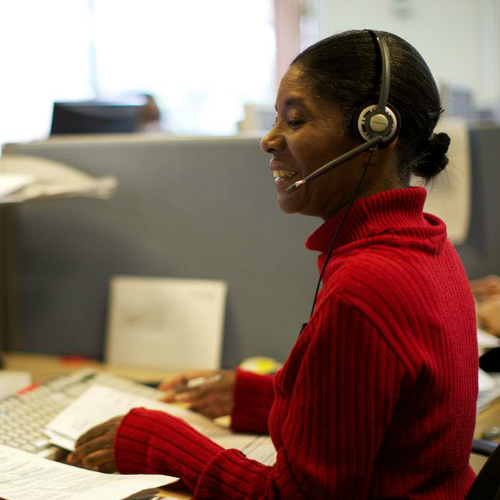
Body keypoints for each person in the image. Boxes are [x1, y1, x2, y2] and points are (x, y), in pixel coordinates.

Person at [68, 30, 478, 498]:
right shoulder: (425, 243)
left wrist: (161, 443)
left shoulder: (366, 286)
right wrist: (261, 398)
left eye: (296, 120)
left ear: (375, 132)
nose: (269, 140)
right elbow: (382, 416)